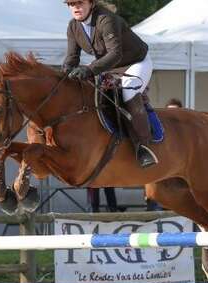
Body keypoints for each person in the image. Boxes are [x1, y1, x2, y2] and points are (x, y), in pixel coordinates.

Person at [62, 0, 158, 168]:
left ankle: (143, 146)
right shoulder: (73, 26)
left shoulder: (106, 19)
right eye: (71, 4)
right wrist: (64, 75)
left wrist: (89, 70)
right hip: (109, 67)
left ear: (91, 3)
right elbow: (72, 58)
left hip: (135, 63)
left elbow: (115, 54)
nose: (76, 7)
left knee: (128, 92)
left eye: (80, 2)